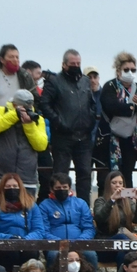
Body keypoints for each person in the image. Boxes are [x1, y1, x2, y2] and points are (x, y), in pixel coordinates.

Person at [38, 49, 95, 202]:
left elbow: (92, 102)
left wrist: (91, 119)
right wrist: (57, 122)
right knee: (60, 175)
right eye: (72, 64)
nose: (76, 66)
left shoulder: (85, 81)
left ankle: (83, 207)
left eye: (78, 63)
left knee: (84, 173)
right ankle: (57, 206)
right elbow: (44, 103)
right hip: (62, 136)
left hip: (84, 136)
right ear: (64, 65)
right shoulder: (54, 81)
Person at [98, 52, 137, 186]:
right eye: (126, 70)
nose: (130, 72)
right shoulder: (110, 86)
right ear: (118, 70)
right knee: (111, 174)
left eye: (133, 70)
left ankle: (128, 203)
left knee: (128, 172)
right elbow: (110, 105)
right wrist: (133, 108)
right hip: (112, 136)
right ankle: (110, 203)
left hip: (132, 138)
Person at [0, 89, 47, 195]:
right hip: (0, 175)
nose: (27, 110)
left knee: (27, 210)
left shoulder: (37, 119)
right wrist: (14, 115)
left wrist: (28, 125)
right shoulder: (1, 111)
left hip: (27, 176)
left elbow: (41, 145)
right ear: (14, 104)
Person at [0, 173, 45, 271]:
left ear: (20, 188)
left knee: (30, 253)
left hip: (27, 244)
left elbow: (39, 230)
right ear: (2, 188)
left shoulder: (31, 206)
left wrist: (25, 240)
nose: (12, 189)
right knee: (9, 253)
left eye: (15, 186)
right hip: (5, 245)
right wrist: (10, 238)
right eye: (8, 186)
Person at [39, 172, 97, 269]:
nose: (62, 190)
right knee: (53, 256)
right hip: (55, 245)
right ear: (51, 189)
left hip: (80, 244)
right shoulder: (44, 205)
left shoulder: (80, 203)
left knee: (91, 255)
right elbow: (44, 230)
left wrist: (78, 242)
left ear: (70, 188)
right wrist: (60, 243)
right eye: (58, 188)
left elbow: (89, 228)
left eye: (64, 187)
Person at [93, 171, 137, 268]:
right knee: (122, 238)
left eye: (120, 183)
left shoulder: (128, 202)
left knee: (124, 253)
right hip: (104, 247)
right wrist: (112, 200)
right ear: (108, 185)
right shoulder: (101, 201)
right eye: (114, 183)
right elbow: (100, 219)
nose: (118, 185)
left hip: (124, 247)